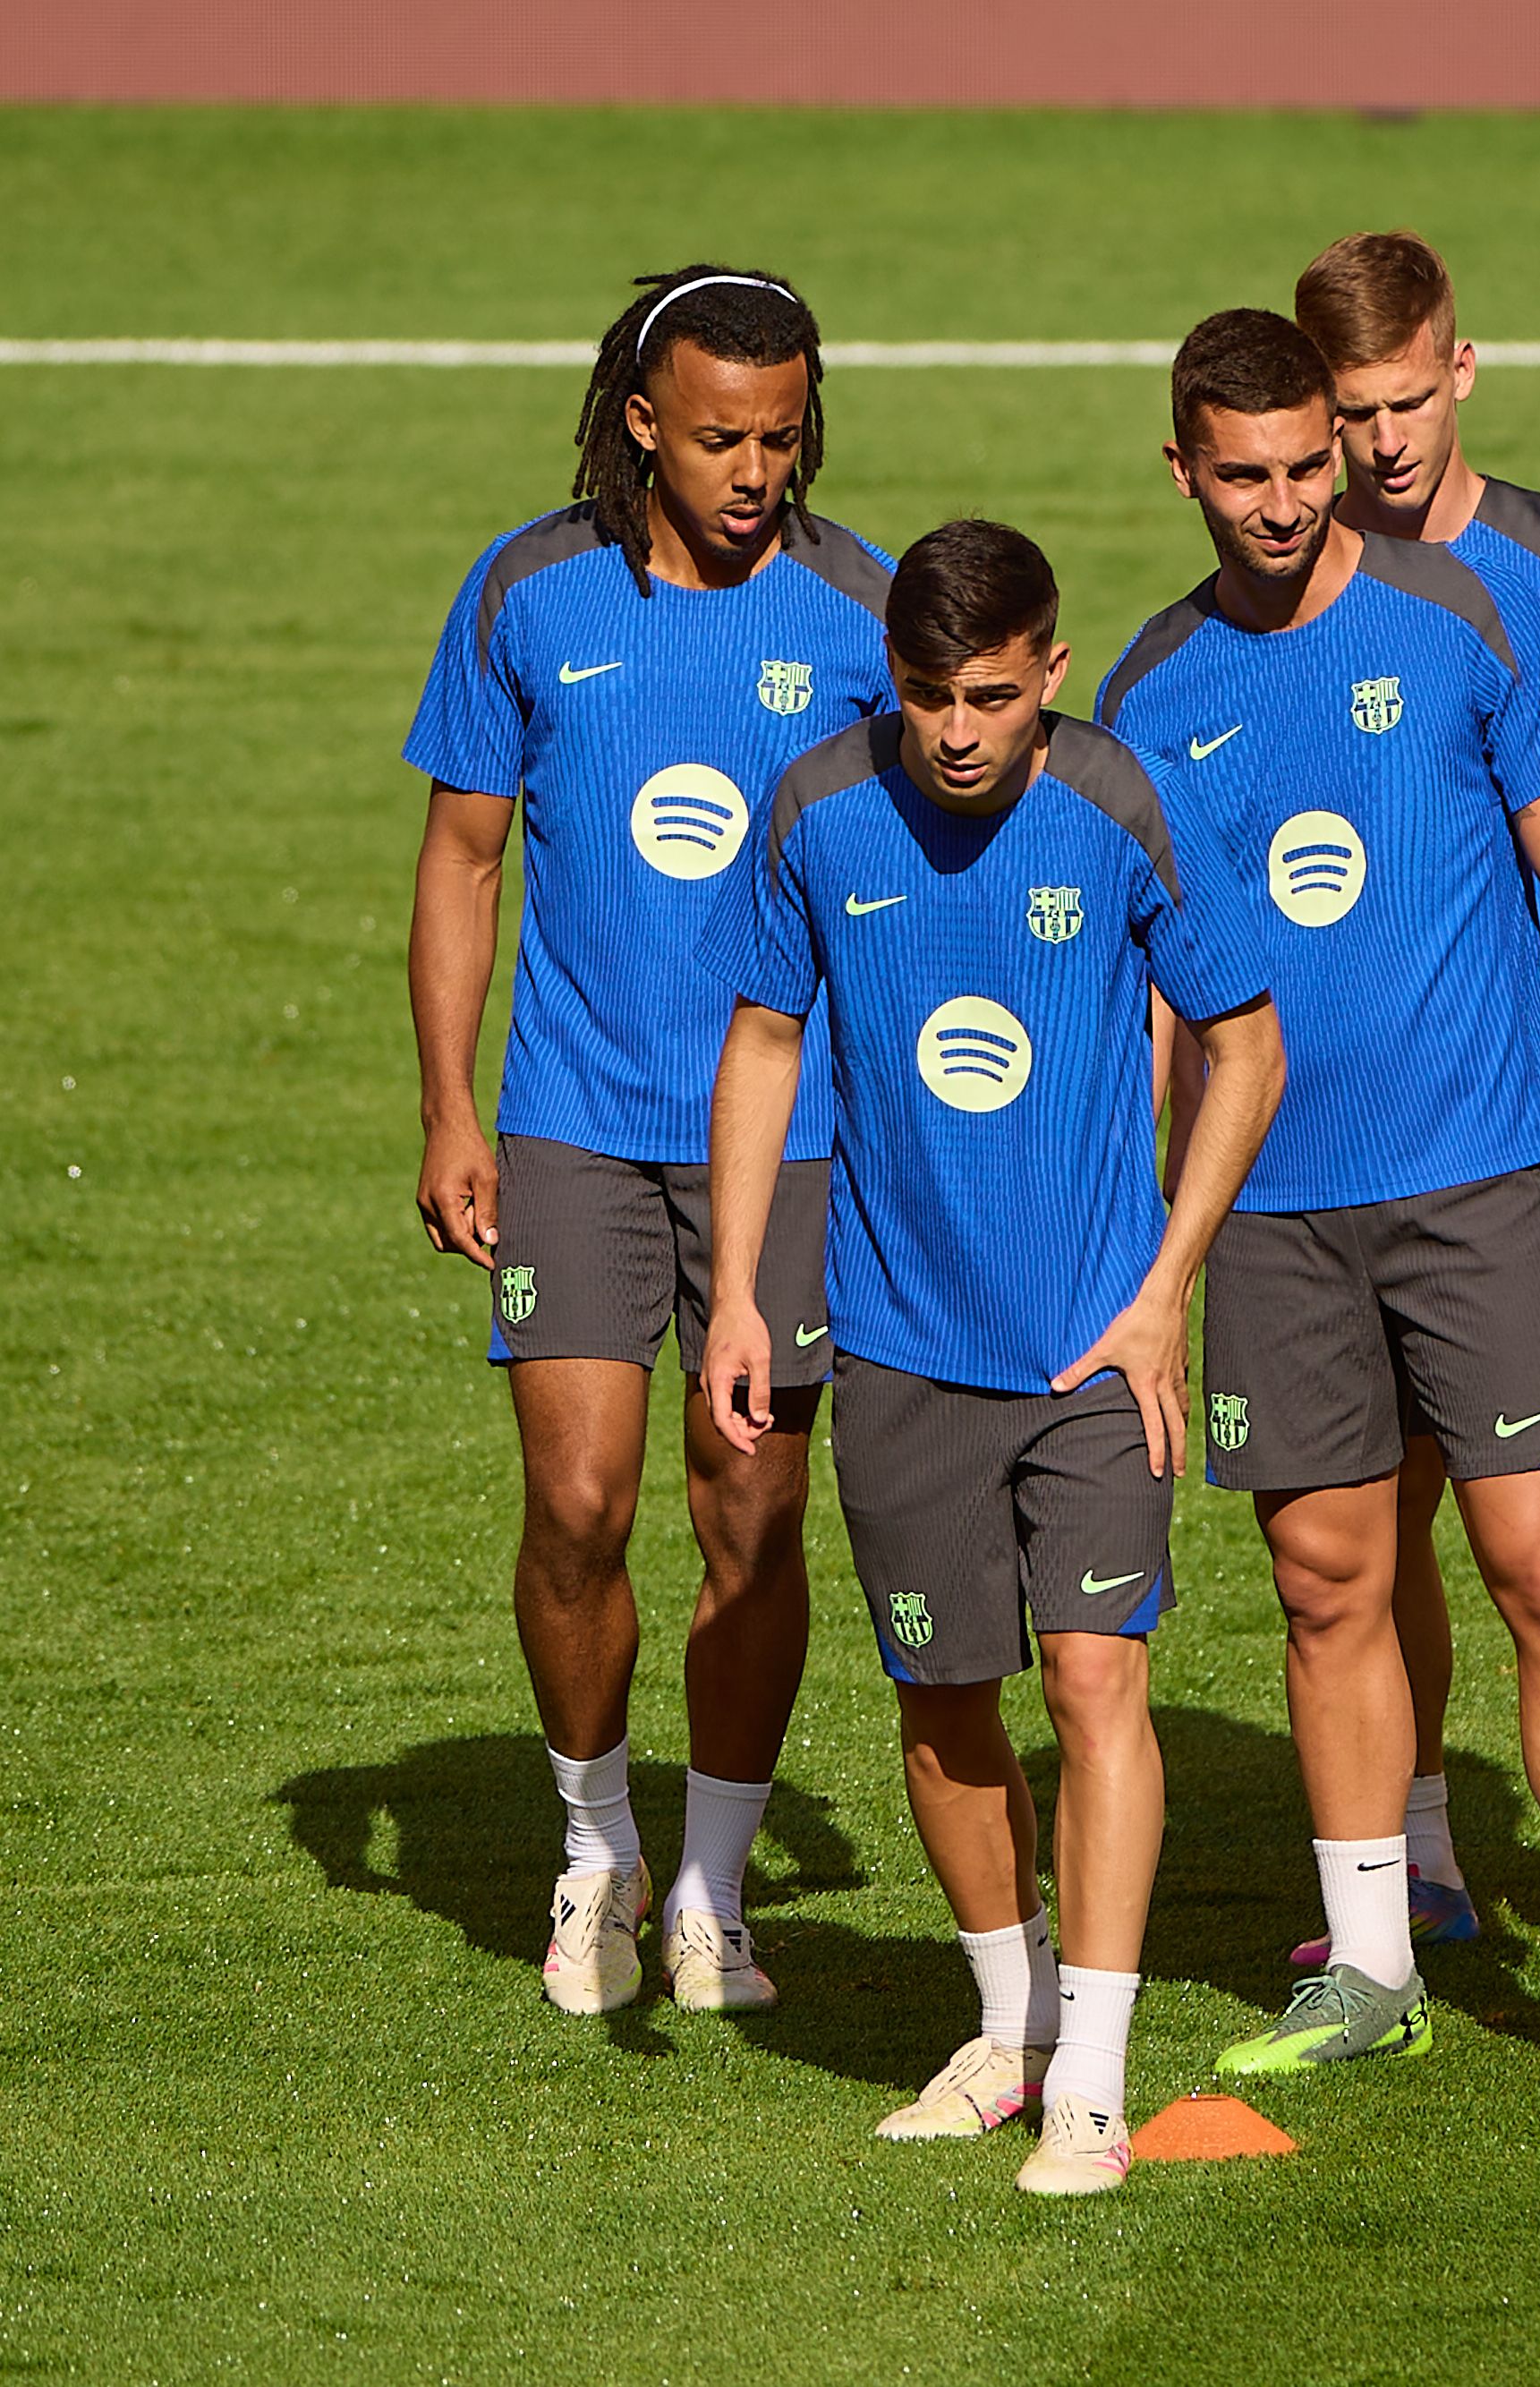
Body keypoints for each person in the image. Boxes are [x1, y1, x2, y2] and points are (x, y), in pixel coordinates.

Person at [1095, 309, 1540, 2100]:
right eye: (1247, 473)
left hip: (1479, 1176)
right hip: (1277, 1211)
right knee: (1320, 1577)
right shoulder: (1149, 691)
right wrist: (1139, 1248)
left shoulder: (1473, 616)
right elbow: (1149, 1000)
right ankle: (1368, 1954)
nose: (1289, 500)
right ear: (1182, 469)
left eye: (1309, 464)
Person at [700, 518, 1281, 2192]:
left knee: (1098, 1683)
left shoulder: (1116, 805)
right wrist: (741, 1289)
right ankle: (1009, 2028)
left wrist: (1167, 1282)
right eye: (929, 697)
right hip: (890, 1343)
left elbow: (1245, 1044)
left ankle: (1092, 2071)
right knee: (945, 1705)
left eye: (991, 697)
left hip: (1090, 1351)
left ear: (1053, 671)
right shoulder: (818, 809)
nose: (958, 732)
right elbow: (760, 1037)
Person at [402, 264, 891, 2017]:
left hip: (796, 1140)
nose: (752, 470)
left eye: (778, 436)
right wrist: (454, 1105)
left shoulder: (862, 610)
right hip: (576, 1123)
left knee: (751, 1513)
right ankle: (597, 1839)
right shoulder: (530, 591)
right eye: (714, 438)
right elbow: (464, 856)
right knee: (579, 1502)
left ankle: (711, 1884)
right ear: (637, 420)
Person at [1279, 228, 1540, 1982]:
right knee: (1381, 1514)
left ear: (1465, 366)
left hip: (1528, 1137)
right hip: (1354, 1153)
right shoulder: (1287, 577)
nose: (1382, 443)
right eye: (1348, 411)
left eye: (1406, 398)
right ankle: (1425, 1856)